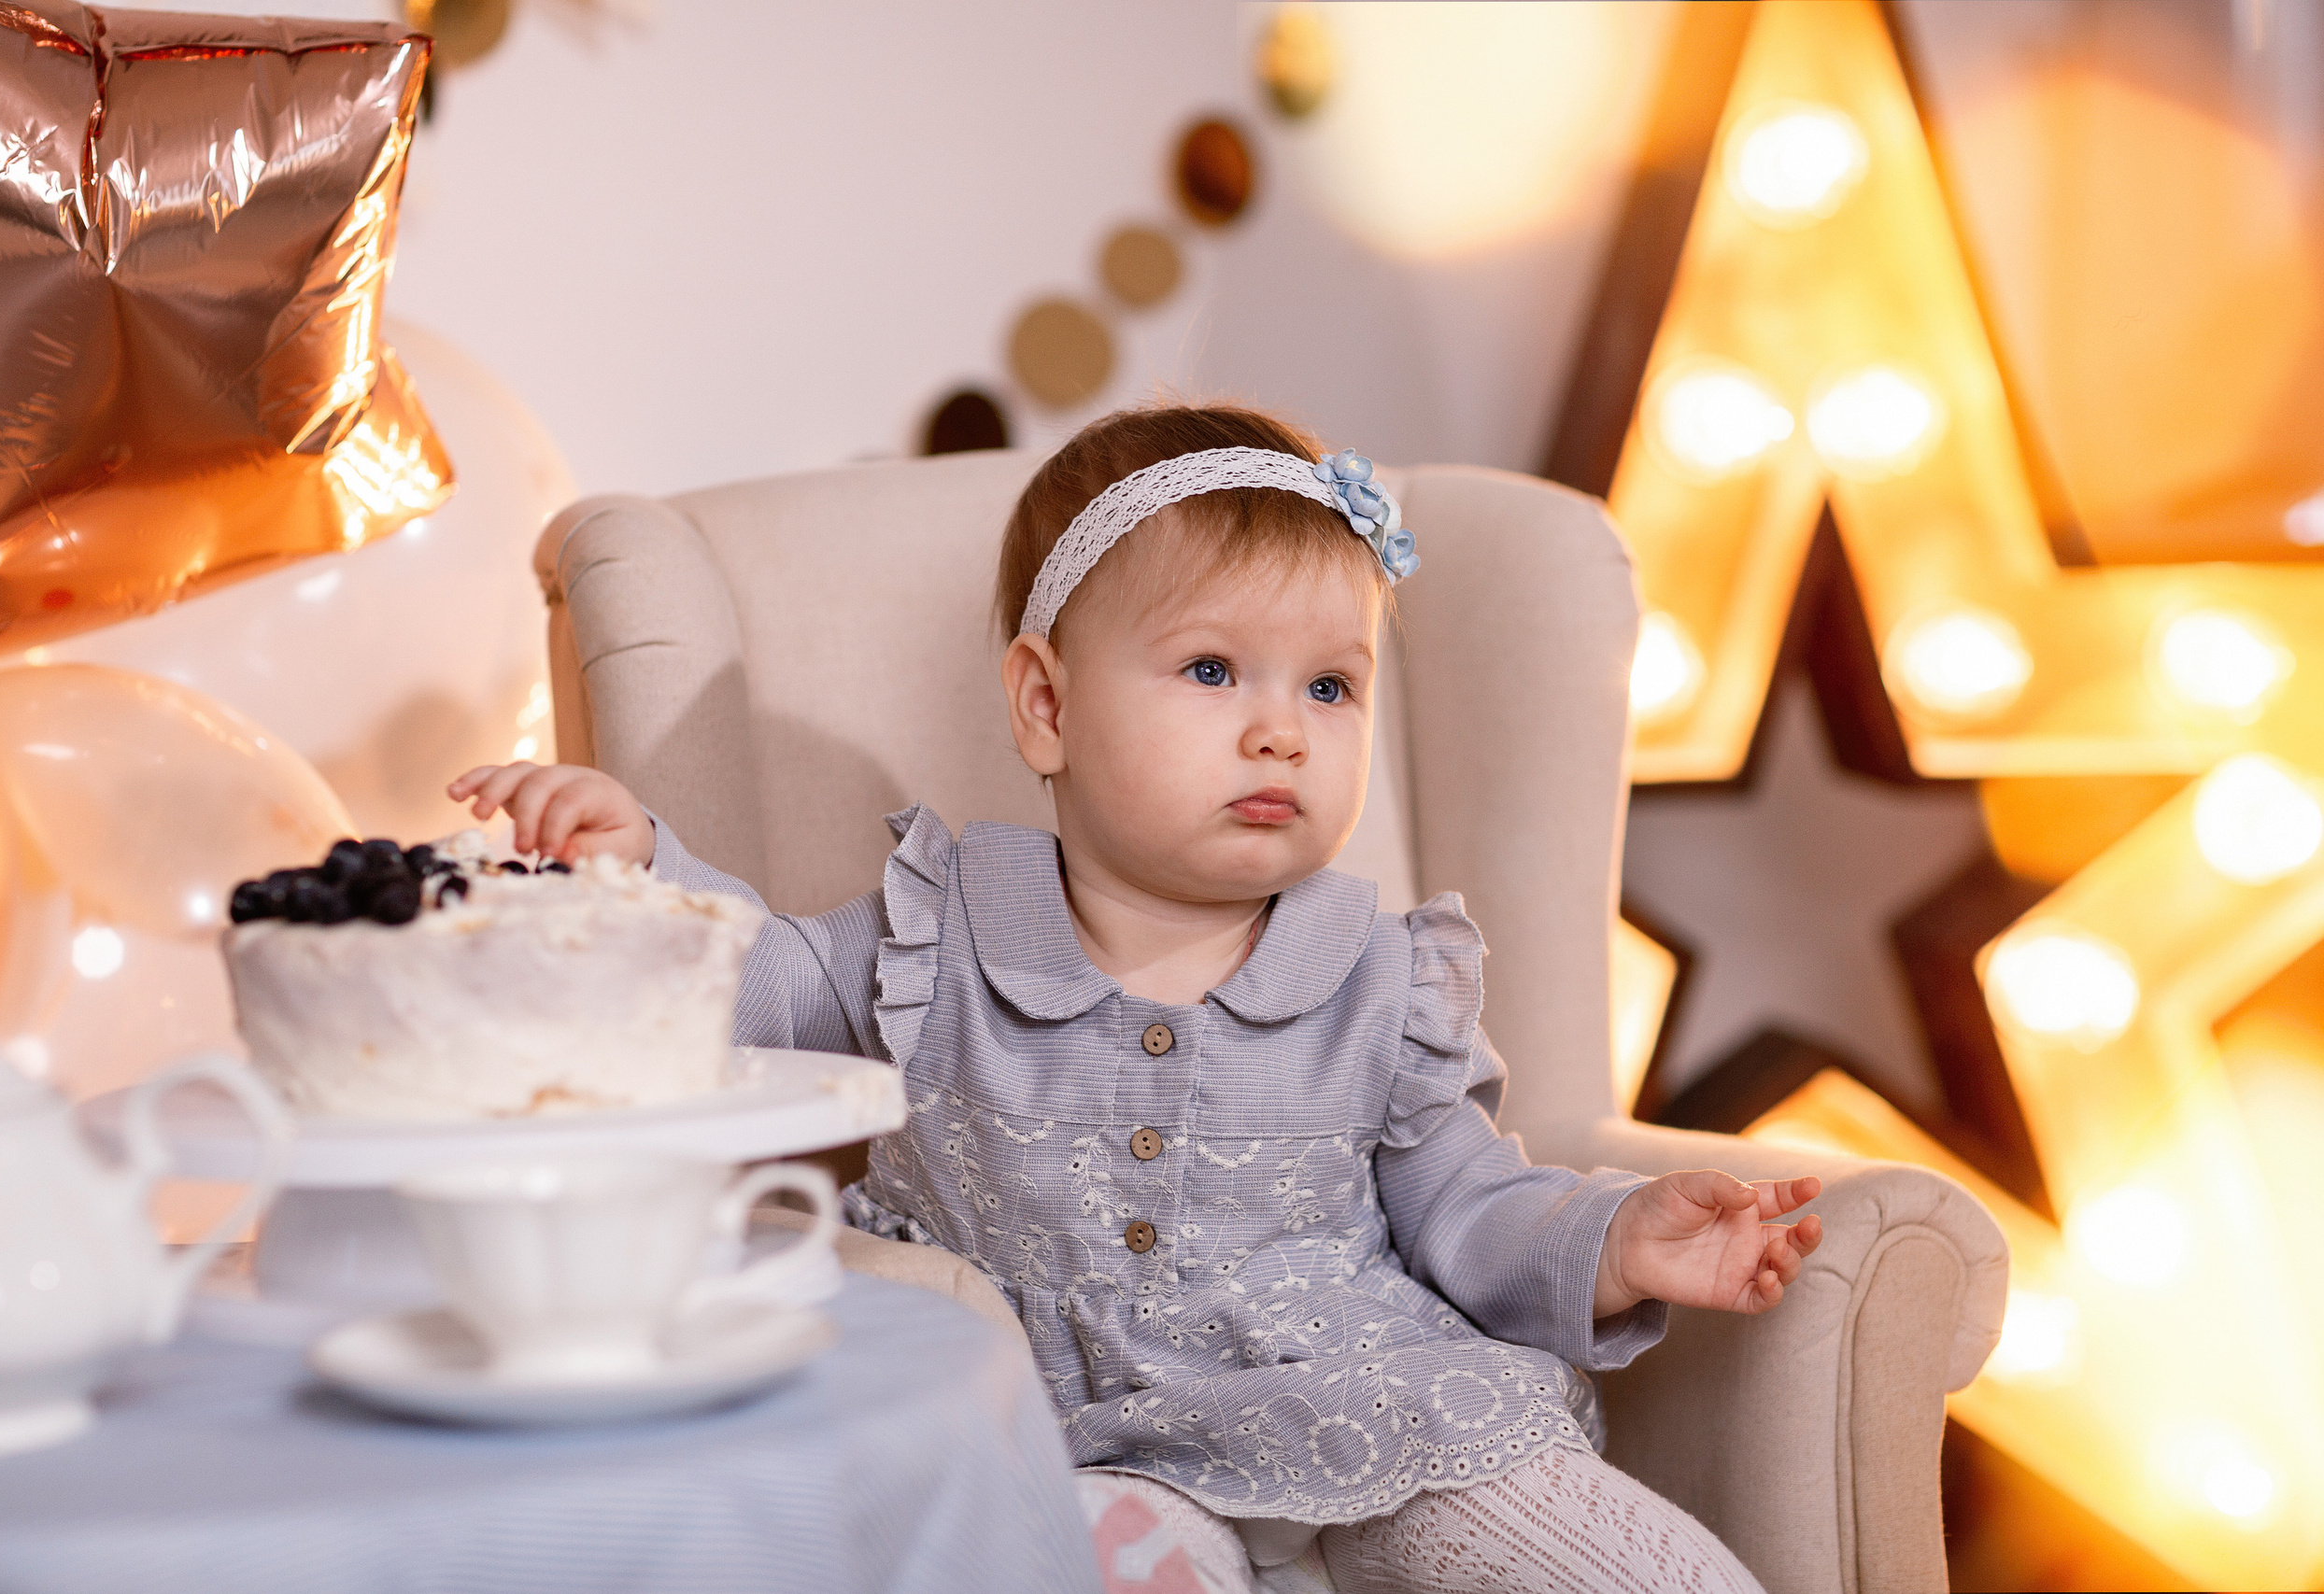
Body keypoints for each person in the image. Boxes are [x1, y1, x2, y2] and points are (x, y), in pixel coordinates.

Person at [450, 404, 1821, 1594]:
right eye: (1213, 671)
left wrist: (1618, 1237)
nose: (1282, 726)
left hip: (1381, 1410)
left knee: (1623, 1561)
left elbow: (1465, 1200)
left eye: (1331, 685)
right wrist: (636, 865)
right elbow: (760, 986)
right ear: (1045, 707)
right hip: (1094, 1442)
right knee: (1111, 1563)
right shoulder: (945, 934)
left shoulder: (1378, 974)